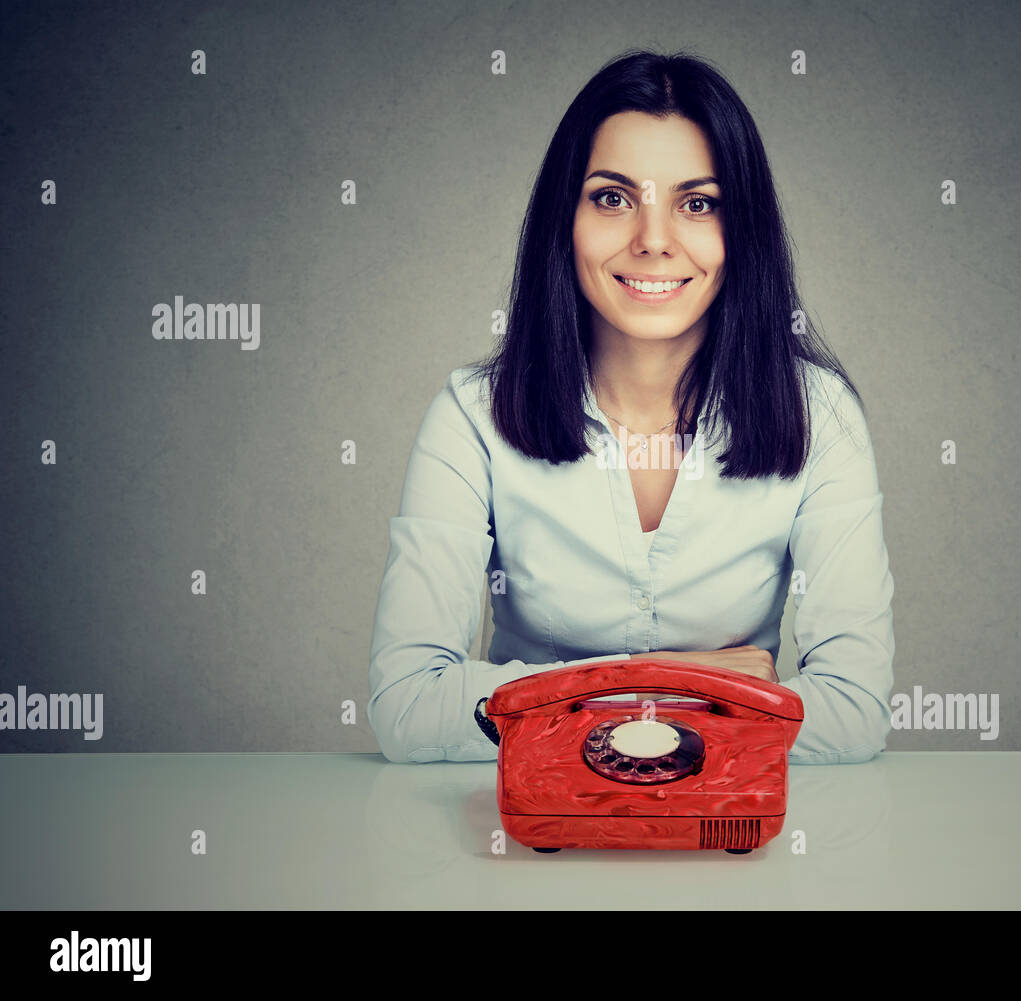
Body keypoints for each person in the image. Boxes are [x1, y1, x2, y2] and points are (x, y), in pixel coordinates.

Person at [368, 49, 895, 765]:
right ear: (568, 219)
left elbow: (856, 712)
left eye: (698, 202)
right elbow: (406, 705)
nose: (652, 239)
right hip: (525, 851)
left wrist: (552, 703)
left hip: (735, 852)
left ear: (741, 233)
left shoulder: (821, 416)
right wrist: (699, 684)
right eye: (613, 197)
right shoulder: (470, 416)